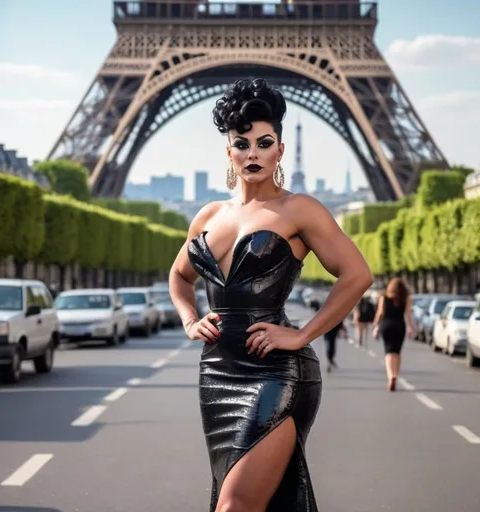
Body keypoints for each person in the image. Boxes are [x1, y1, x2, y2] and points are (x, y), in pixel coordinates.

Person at [169, 77, 373, 512]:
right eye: (242, 144)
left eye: (264, 143)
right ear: (229, 153)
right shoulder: (208, 215)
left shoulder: (300, 209)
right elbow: (179, 276)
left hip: (275, 374)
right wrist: (190, 320)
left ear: (280, 149)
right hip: (217, 373)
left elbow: (356, 274)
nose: (253, 153)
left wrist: (301, 337)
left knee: (235, 505)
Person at [372, 277, 415, 392]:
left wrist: (375, 325)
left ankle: (391, 377)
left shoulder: (384, 297)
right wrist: (411, 327)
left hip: (387, 325)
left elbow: (380, 313)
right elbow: (408, 314)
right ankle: (396, 374)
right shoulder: (405, 298)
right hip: (400, 326)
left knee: (388, 352)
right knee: (397, 352)